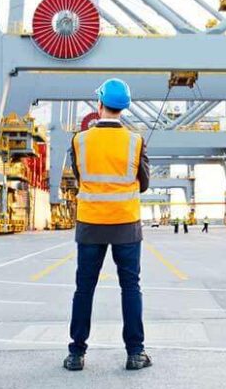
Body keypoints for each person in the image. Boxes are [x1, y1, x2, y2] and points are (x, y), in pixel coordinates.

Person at [64, 79, 152, 372]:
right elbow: (144, 184)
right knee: (130, 287)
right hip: (126, 223)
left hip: (90, 223)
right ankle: (135, 353)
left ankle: (76, 354)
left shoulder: (79, 140)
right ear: (123, 109)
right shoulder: (136, 141)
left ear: (99, 104)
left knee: (84, 289)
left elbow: (79, 177)